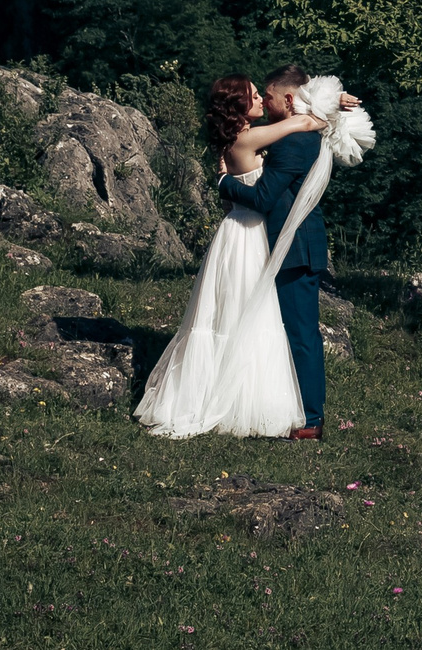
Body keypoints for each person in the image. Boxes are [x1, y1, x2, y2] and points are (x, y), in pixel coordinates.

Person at [132, 74, 312, 438]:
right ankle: (245, 404)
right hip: (249, 233)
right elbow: (306, 121)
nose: (263, 98)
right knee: (250, 314)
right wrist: (332, 102)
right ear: (239, 107)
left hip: (235, 229)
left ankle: (219, 393)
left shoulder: (233, 141)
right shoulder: (249, 138)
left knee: (229, 314)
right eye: (254, 95)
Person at [216, 64, 362, 438]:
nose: (264, 101)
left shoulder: (292, 140)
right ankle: (292, 410)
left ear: (288, 98)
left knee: (301, 334)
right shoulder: (293, 133)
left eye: (267, 94)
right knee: (288, 332)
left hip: (295, 248)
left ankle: (311, 421)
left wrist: (224, 184)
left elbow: (264, 197)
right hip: (289, 245)